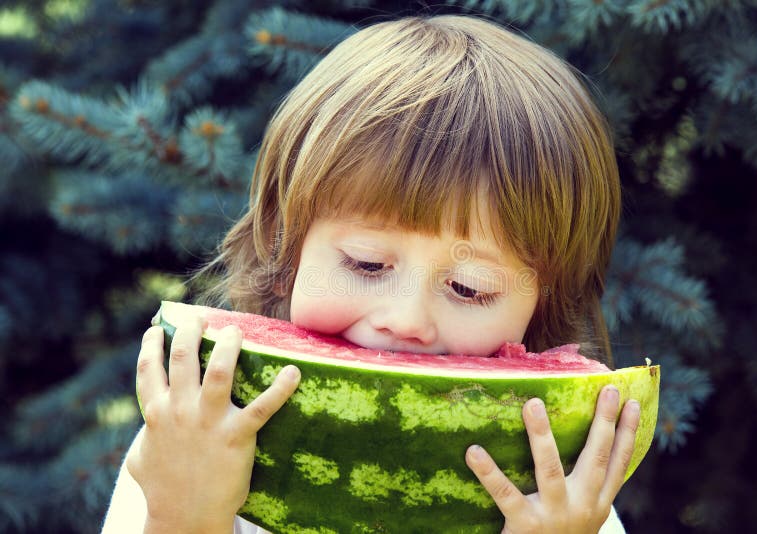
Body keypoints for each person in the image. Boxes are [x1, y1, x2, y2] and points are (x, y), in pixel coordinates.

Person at [103, 13, 641, 534]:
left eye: (469, 288)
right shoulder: (189, 442)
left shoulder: (559, 494)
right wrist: (185, 516)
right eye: (365, 263)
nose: (406, 321)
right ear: (283, 245)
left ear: (543, 303)